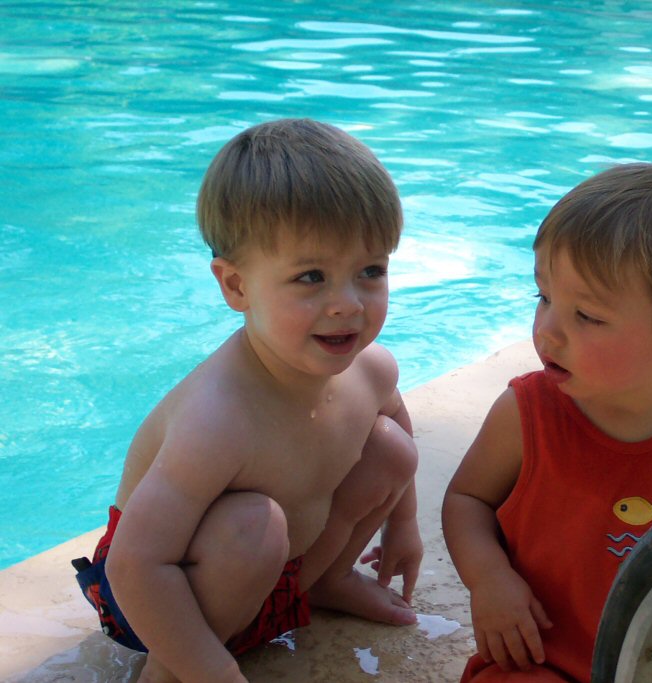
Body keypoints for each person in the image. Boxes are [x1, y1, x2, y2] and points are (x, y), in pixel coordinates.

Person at [71, 118, 423, 683]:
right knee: (251, 526)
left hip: (282, 574)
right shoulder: (218, 419)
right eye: (311, 276)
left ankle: (329, 581)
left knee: (391, 448)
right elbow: (136, 566)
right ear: (236, 286)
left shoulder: (371, 370)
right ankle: (170, 671)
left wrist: (403, 525)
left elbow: (396, 423)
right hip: (158, 601)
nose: (348, 303)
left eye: (370, 271)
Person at [443, 163, 652, 683]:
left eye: (587, 316)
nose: (547, 331)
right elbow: (466, 500)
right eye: (544, 297)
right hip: (548, 659)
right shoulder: (526, 415)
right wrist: (489, 578)